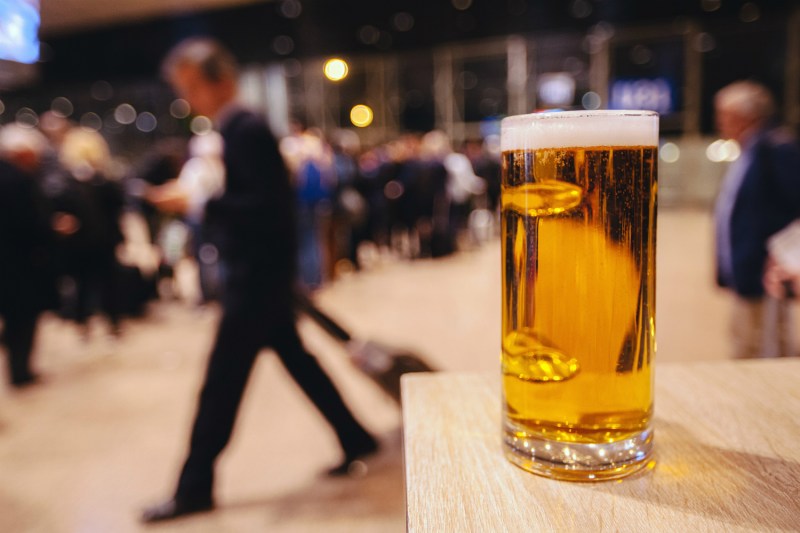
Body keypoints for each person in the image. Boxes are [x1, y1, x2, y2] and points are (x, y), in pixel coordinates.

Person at [142, 37, 377, 523]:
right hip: (262, 277)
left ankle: (194, 487)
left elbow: (267, 210)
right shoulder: (236, 129)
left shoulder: (244, 128)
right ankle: (355, 436)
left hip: (254, 280)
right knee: (298, 362)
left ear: (220, 81)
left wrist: (199, 205)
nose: (189, 99)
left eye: (193, 87)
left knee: (221, 384)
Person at [713, 80, 800, 359]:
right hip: (747, 270)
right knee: (747, 342)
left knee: (767, 347)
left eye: (724, 114)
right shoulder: (750, 150)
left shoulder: (775, 147)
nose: (720, 122)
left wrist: (783, 258)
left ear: (744, 116)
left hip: (765, 271)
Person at [0, 125, 58, 387]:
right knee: (22, 318)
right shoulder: (18, 180)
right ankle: (20, 371)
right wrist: (51, 230)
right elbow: (29, 223)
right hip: (20, 263)